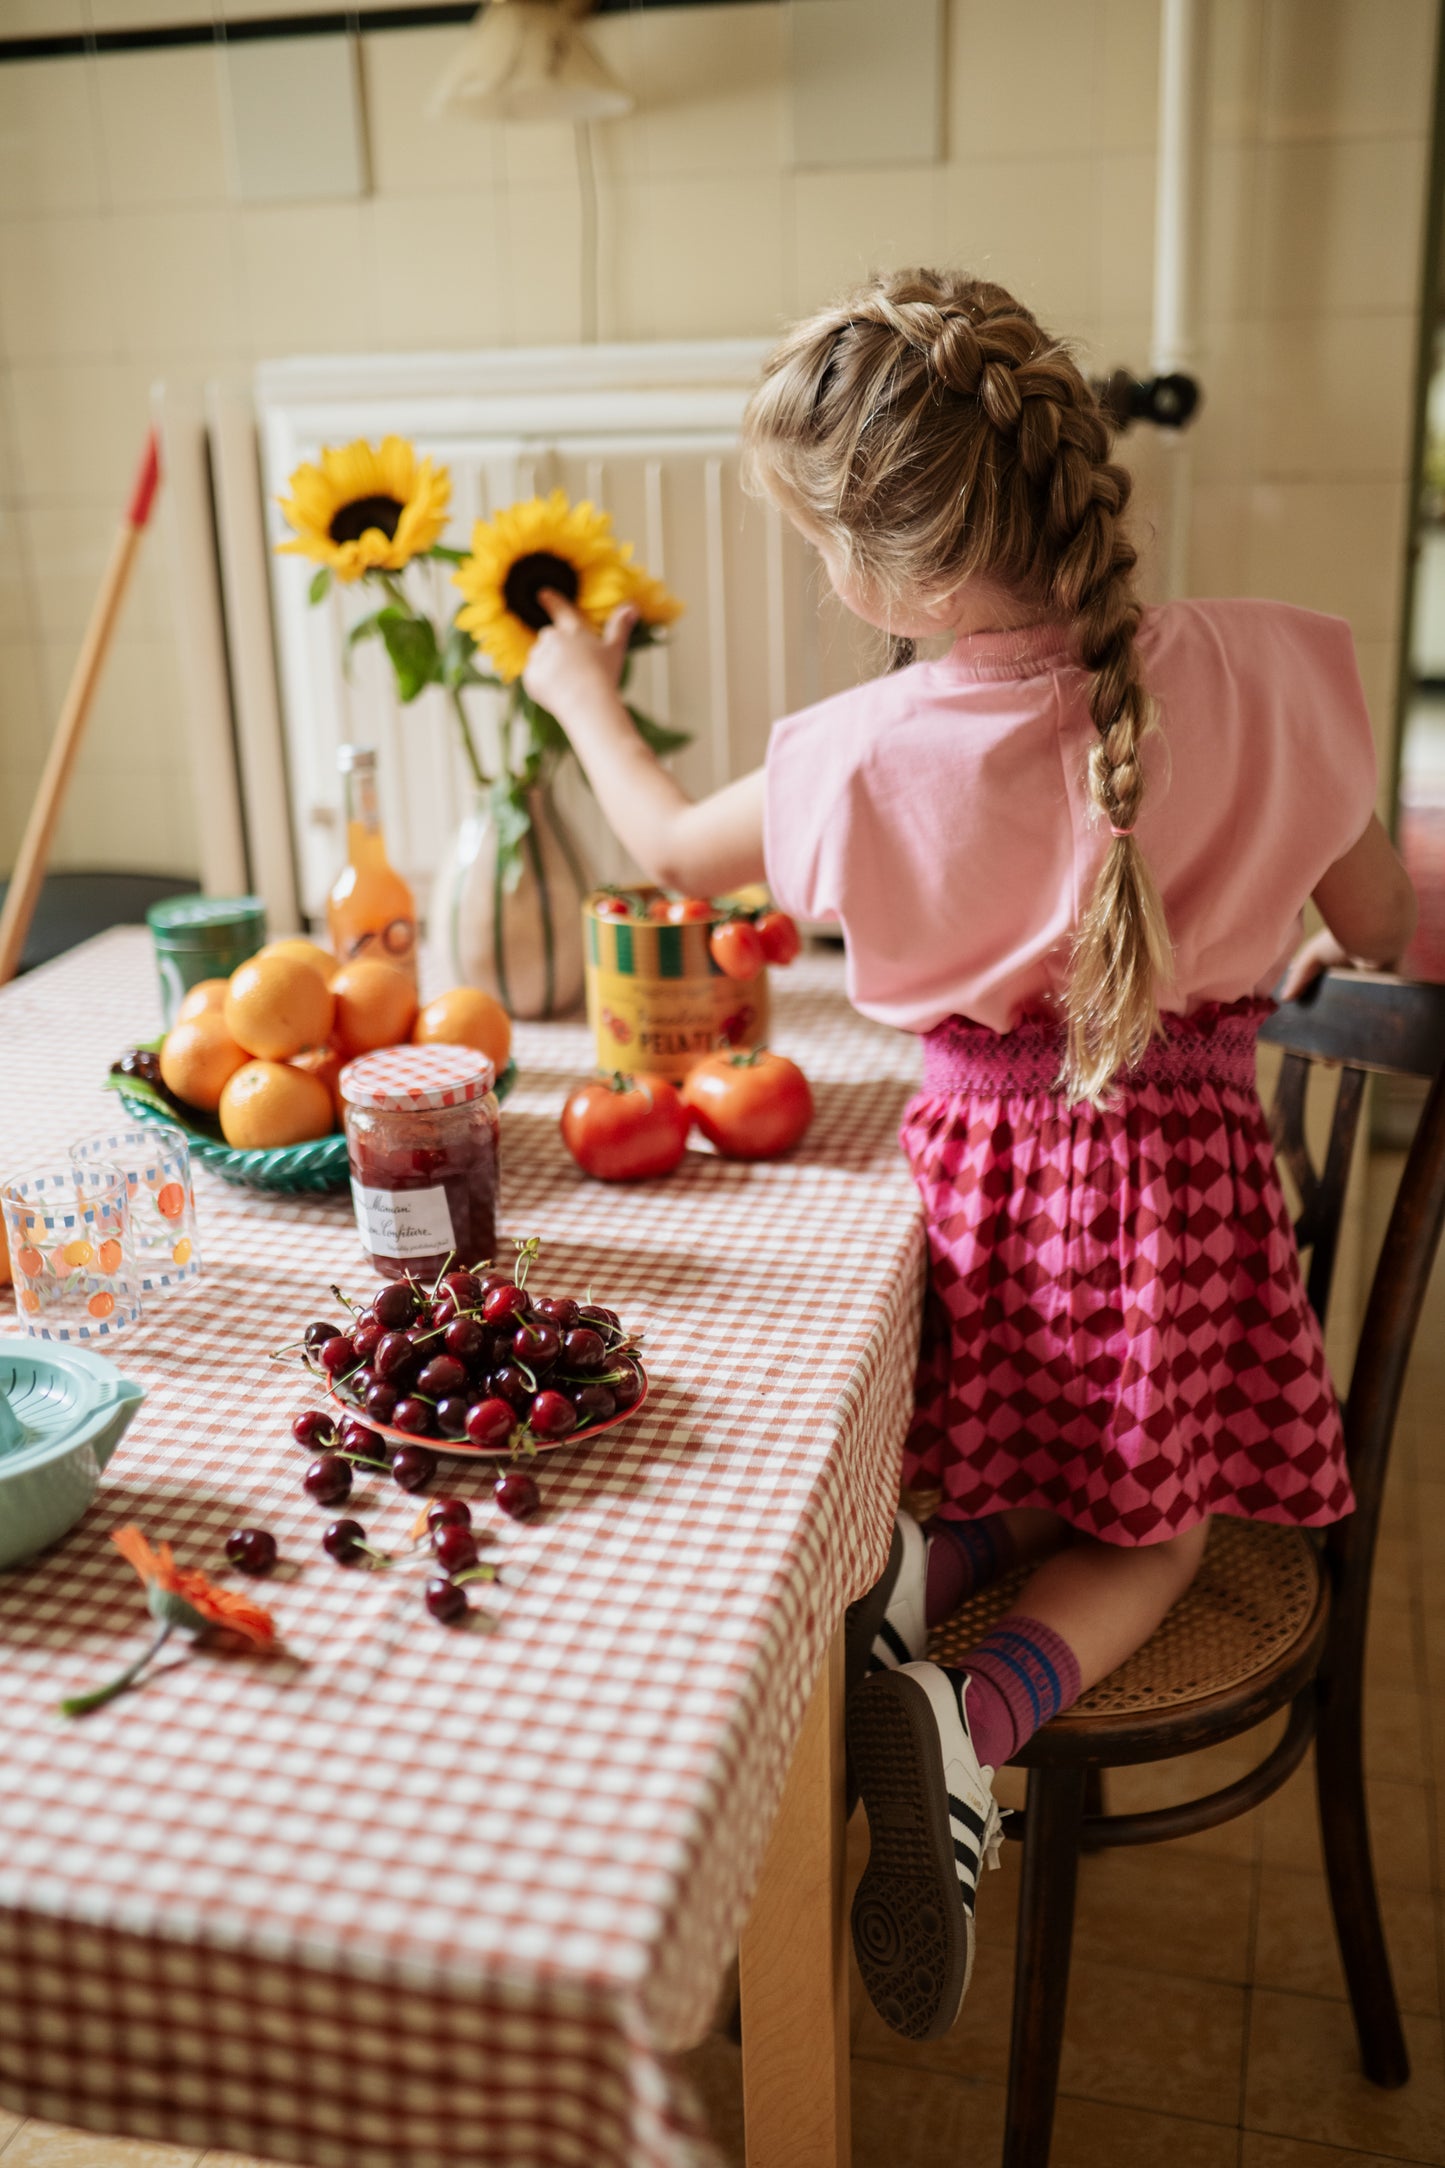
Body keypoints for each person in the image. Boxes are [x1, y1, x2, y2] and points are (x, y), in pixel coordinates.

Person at [519, 268, 1418, 2045]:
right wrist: (1272, 934)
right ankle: (961, 1695)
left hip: (986, 1212)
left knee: (1066, 1482)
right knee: (1148, 1525)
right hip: (1181, 1203)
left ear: (895, 575)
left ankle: (924, 1637)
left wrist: (576, 696)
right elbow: (1379, 916)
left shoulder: (856, 754)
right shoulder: (1278, 661)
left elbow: (657, 844)